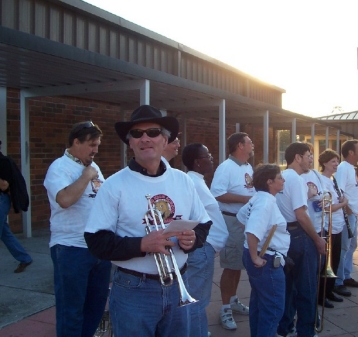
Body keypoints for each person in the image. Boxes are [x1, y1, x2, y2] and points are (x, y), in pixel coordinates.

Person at [84, 105, 212, 337]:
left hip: (178, 283)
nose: (145, 138)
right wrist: (142, 244)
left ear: (165, 140)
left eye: (153, 132)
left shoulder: (183, 181)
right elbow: (96, 241)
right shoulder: (114, 185)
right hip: (134, 290)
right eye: (137, 134)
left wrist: (192, 240)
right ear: (130, 142)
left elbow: (203, 224)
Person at [43, 121, 112, 337]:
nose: (95, 150)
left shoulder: (93, 167)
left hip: (98, 247)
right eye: (92, 145)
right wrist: (85, 176)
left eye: (98, 145)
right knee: (71, 310)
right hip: (71, 248)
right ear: (76, 141)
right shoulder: (59, 168)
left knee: (96, 306)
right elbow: (64, 199)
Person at [276, 142, 326, 337]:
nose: (311, 159)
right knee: (307, 288)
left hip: (284, 237)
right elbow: (301, 214)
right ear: (297, 157)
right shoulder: (296, 179)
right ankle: (306, 331)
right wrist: (317, 239)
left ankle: (284, 328)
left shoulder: (281, 177)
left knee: (288, 287)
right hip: (299, 236)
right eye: (308, 155)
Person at [182, 143, 229, 337]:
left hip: (207, 247)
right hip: (202, 249)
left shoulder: (198, 180)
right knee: (197, 300)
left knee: (200, 299)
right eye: (207, 155)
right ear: (196, 162)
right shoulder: (190, 182)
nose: (211, 158)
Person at [210, 132, 255, 330]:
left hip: (245, 222)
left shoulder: (247, 166)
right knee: (230, 266)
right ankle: (225, 308)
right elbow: (217, 194)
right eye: (249, 142)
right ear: (240, 145)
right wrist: (245, 200)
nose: (252, 144)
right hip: (231, 222)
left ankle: (234, 299)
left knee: (238, 265)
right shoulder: (225, 167)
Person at [238, 164, 289, 337]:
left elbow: (241, 216)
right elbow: (252, 230)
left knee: (259, 305)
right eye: (280, 177)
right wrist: (255, 256)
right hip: (265, 260)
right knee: (273, 308)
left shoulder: (258, 197)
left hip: (259, 256)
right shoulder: (266, 201)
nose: (283, 180)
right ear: (269, 182)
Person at [317, 149, 349, 308]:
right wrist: (343, 203)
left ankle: (329, 291)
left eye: (337, 161)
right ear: (324, 163)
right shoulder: (322, 181)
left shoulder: (333, 180)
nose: (336, 164)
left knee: (334, 261)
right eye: (333, 162)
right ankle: (321, 295)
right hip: (328, 226)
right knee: (326, 264)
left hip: (338, 226)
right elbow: (326, 207)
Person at [333, 139, 358, 298]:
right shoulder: (343, 168)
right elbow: (338, 190)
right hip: (348, 215)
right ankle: (338, 282)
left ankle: (346, 275)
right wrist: (347, 209)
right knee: (344, 247)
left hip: (354, 215)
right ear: (351, 152)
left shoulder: (351, 168)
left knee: (352, 245)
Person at [0, 140, 33, 273]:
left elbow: (4, 185)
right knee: (5, 233)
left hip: (1, 199)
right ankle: (24, 258)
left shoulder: (4, 162)